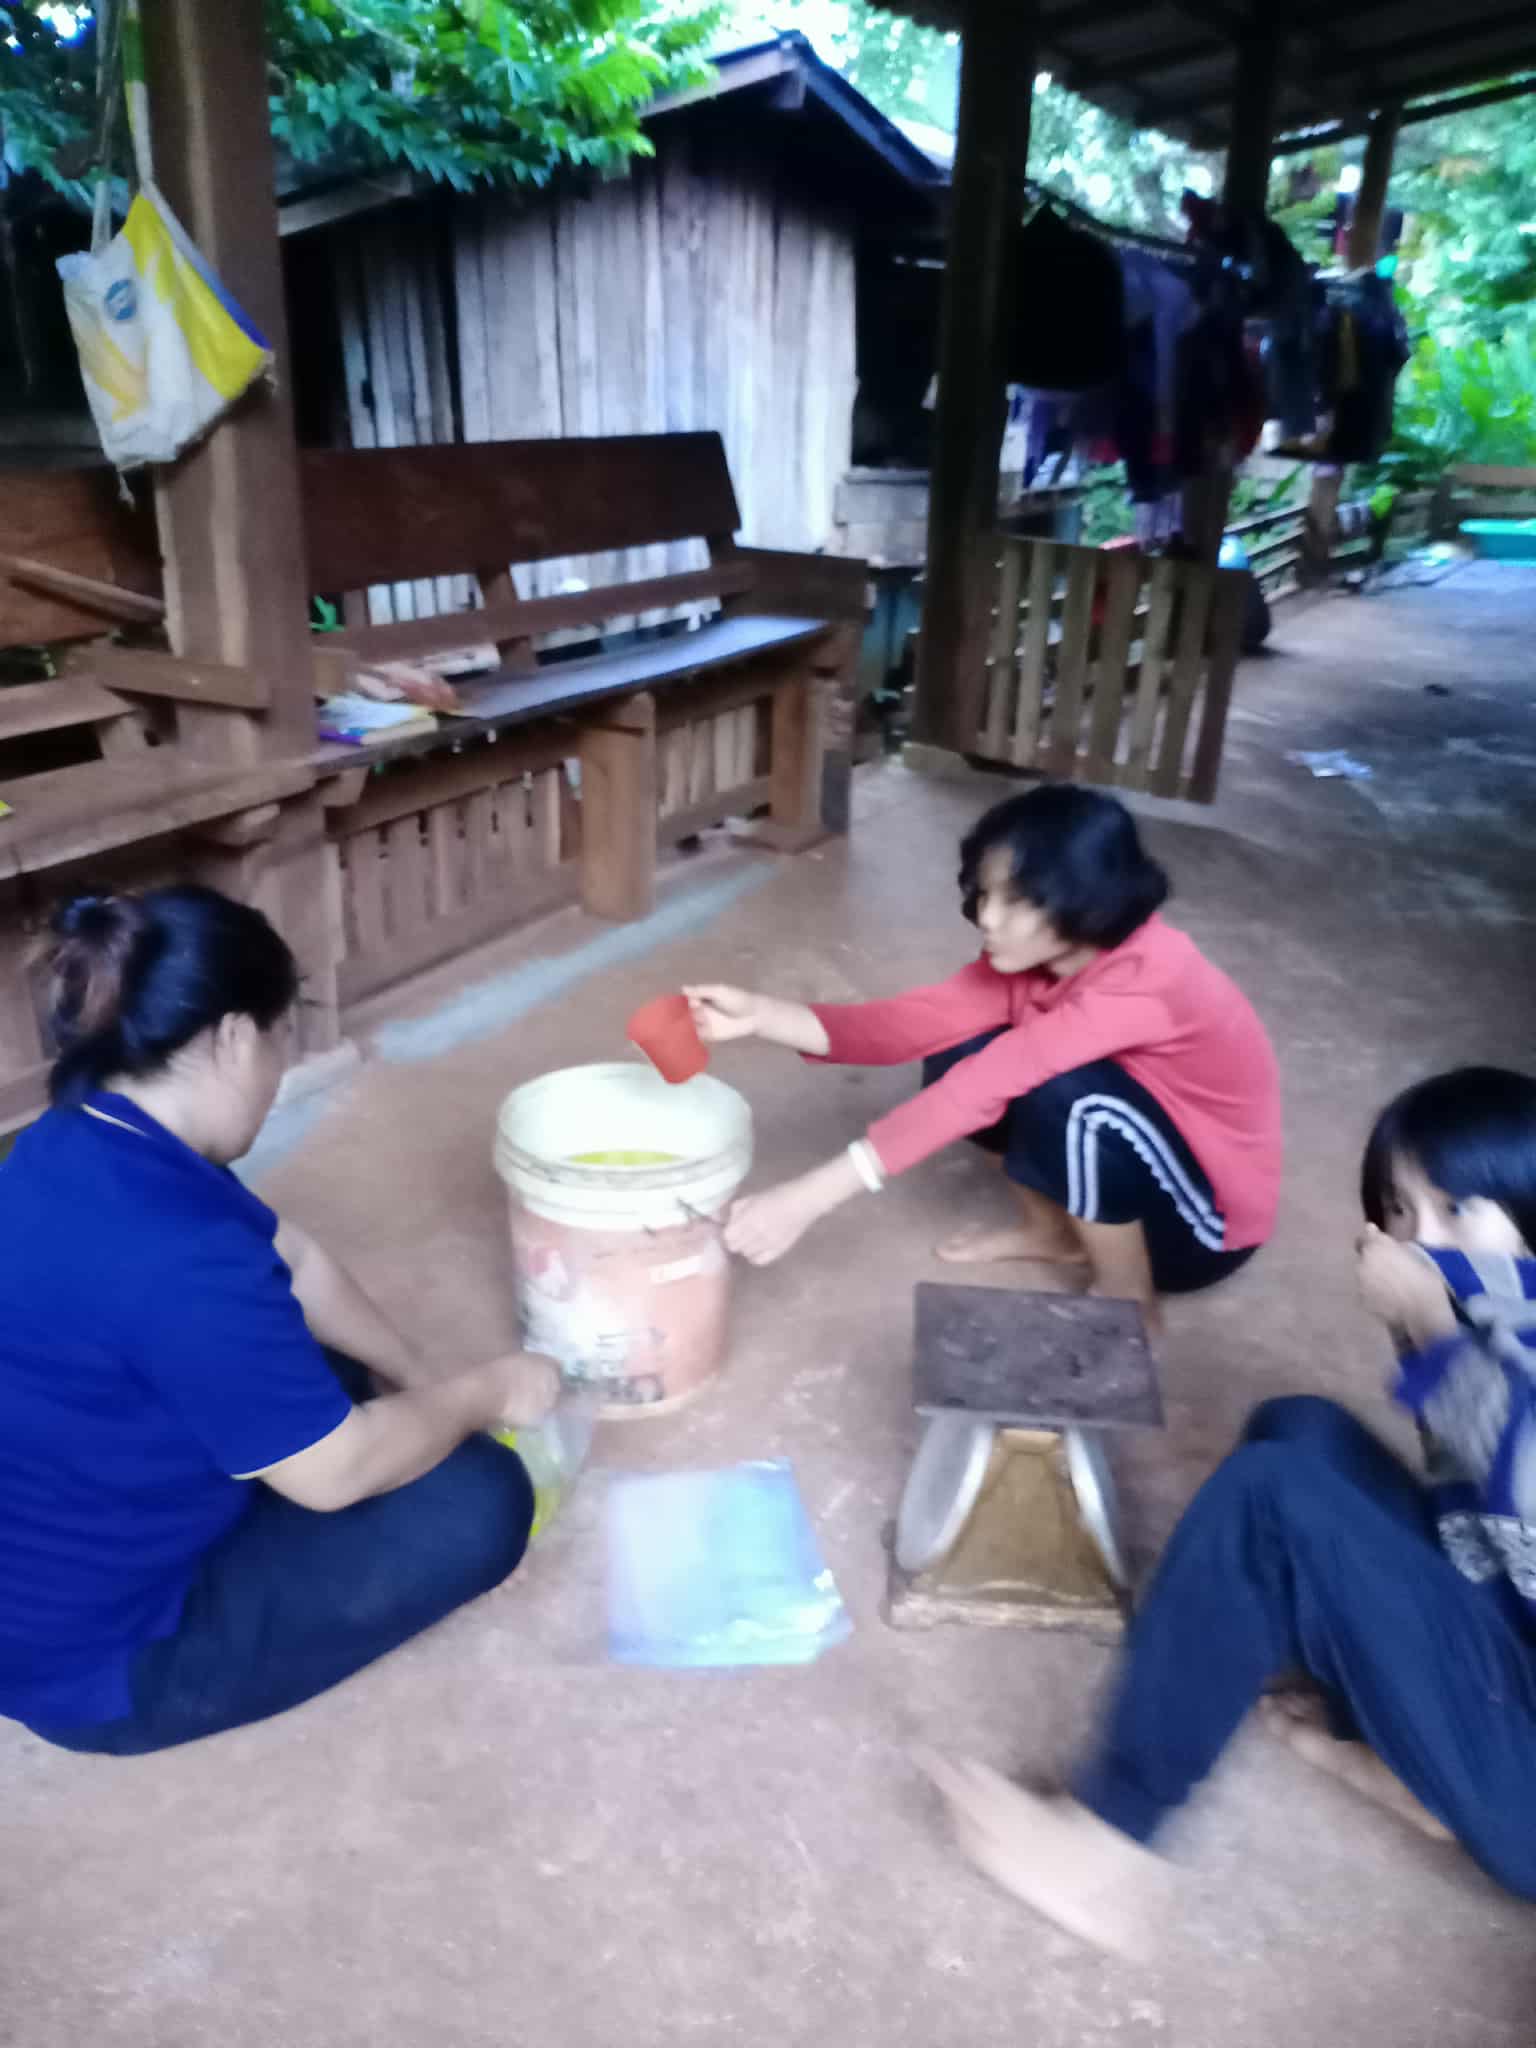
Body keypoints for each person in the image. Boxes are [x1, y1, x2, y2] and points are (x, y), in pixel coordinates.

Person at [921, 1067, 1536, 1962]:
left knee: (1273, 1503)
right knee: (1298, 1432)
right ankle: (1414, 1763)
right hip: (1507, 1643)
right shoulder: (1505, 1307)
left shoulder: (1481, 1325)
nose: (1419, 1239)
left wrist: (1437, 1335)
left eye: (1457, 1212)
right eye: (1401, 1212)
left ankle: (1108, 1839)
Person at [0, 885, 559, 1757]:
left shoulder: (82, 1139)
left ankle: (335, 1439)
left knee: (328, 1366)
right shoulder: (181, 1261)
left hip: (56, 1535)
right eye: (276, 1040)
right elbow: (333, 1476)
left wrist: (418, 1374)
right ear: (230, 1038)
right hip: (107, 1663)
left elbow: (290, 1260)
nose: (277, 1071)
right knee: (480, 1501)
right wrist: (485, 1392)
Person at [687, 784, 1281, 1318]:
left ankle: (1129, 1299)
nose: (987, 917)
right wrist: (762, 1014)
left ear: (1084, 897)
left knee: (1066, 1098)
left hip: (1199, 1230)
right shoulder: (1039, 958)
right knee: (959, 1048)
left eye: (1017, 901)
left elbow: (983, 1089)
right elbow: (905, 1027)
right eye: (987, 892)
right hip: (1136, 1159)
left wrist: (803, 1200)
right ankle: (1052, 1232)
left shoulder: (1150, 980)